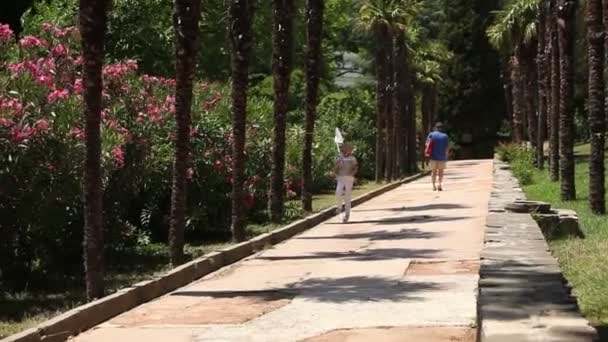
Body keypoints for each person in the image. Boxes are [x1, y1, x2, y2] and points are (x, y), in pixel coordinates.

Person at [335, 143, 358, 223]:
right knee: (338, 192)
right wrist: (336, 169)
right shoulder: (339, 157)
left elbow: (355, 168)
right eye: (345, 148)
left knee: (347, 196)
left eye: (348, 149)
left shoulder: (352, 158)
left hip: (349, 178)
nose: (347, 150)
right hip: (340, 177)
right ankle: (339, 207)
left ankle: (347, 215)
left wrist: (352, 174)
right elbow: (336, 168)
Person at [426, 122, 449, 191]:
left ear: (435, 128)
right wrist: (446, 156)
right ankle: (439, 184)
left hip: (433, 157)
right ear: (442, 128)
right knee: (441, 171)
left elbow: (427, 144)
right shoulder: (445, 136)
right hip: (442, 157)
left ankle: (433, 186)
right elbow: (447, 147)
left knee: (433, 172)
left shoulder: (431, 134)